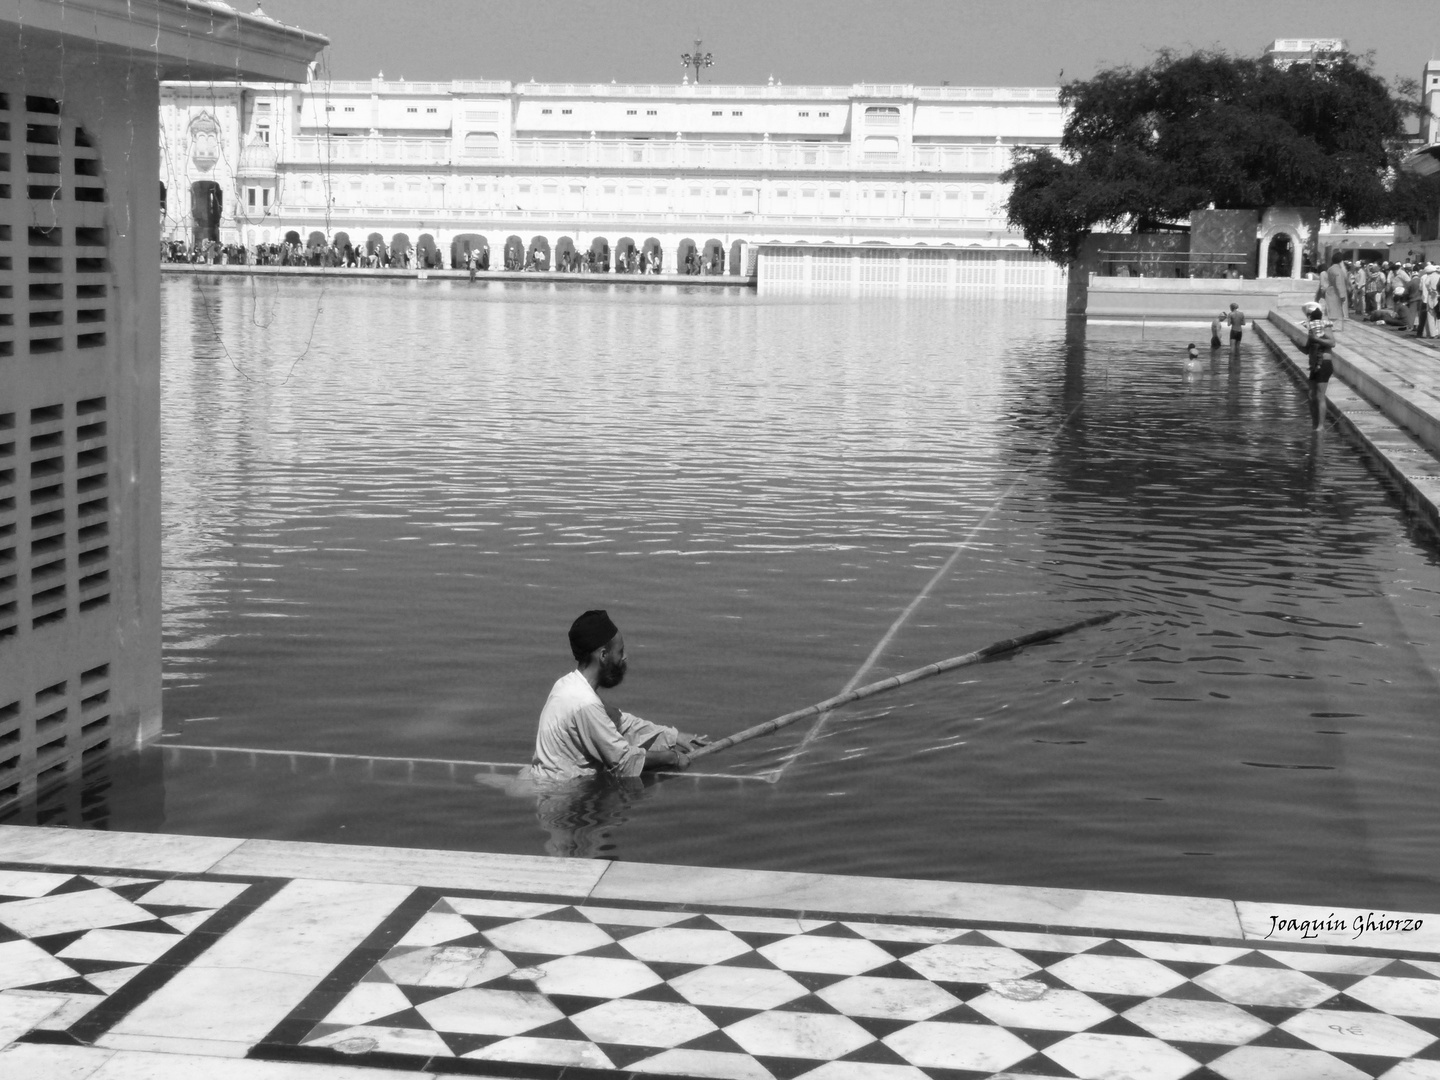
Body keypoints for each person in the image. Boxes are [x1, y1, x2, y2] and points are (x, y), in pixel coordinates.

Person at [527, 610, 709, 782]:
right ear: (604, 655)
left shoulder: (568, 685)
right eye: (620, 651)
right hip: (561, 795)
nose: (625, 657)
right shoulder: (585, 703)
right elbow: (623, 762)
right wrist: (673, 758)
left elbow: (621, 723)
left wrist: (671, 736)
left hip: (544, 781)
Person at [1301, 302, 1336, 430]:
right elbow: (1306, 350)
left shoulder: (1324, 327)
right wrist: (1295, 342)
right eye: (1308, 315)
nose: (1309, 317)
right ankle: (1314, 423)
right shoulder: (1312, 329)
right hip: (1314, 364)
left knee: (1320, 396)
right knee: (1311, 395)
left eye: (1309, 315)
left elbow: (1332, 342)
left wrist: (1317, 339)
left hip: (1324, 364)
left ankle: (1320, 426)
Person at [1319, 252, 1348, 328]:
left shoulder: (1330, 269)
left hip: (1329, 292)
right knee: (1336, 312)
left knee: (1331, 311)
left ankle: (1330, 326)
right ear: (1341, 261)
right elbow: (1339, 283)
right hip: (1336, 293)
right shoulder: (1338, 270)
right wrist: (1342, 295)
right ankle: (1335, 328)